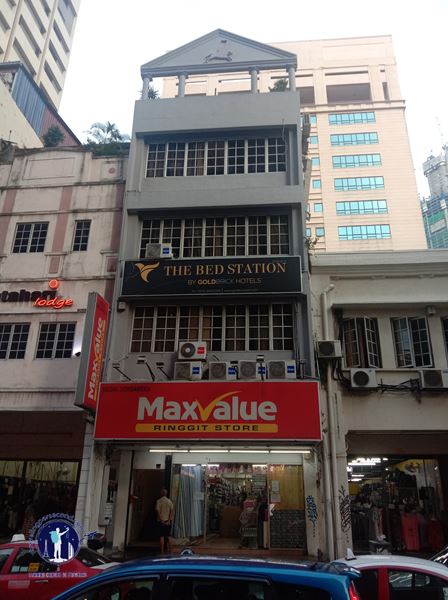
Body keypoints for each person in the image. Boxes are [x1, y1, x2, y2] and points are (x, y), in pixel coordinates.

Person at [155, 488, 173, 555]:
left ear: (161, 494)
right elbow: (171, 512)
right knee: (169, 536)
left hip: (161, 521)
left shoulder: (159, 501)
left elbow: (158, 512)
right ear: (166, 494)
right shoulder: (169, 501)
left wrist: (161, 520)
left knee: (161, 536)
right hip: (168, 521)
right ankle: (171, 551)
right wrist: (168, 520)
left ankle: (162, 552)